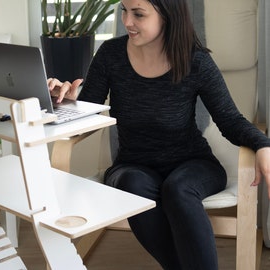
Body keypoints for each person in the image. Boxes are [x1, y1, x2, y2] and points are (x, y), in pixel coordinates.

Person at [48, 0, 270, 269]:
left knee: (178, 188)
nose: (127, 21)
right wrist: (62, 100)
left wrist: (263, 145)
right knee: (132, 184)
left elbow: (231, 120)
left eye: (138, 14)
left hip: (193, 165)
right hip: (132, 165)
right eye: (124, 11)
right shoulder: (111, 55)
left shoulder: (195, 60)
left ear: (167, 16)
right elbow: (88, 110)